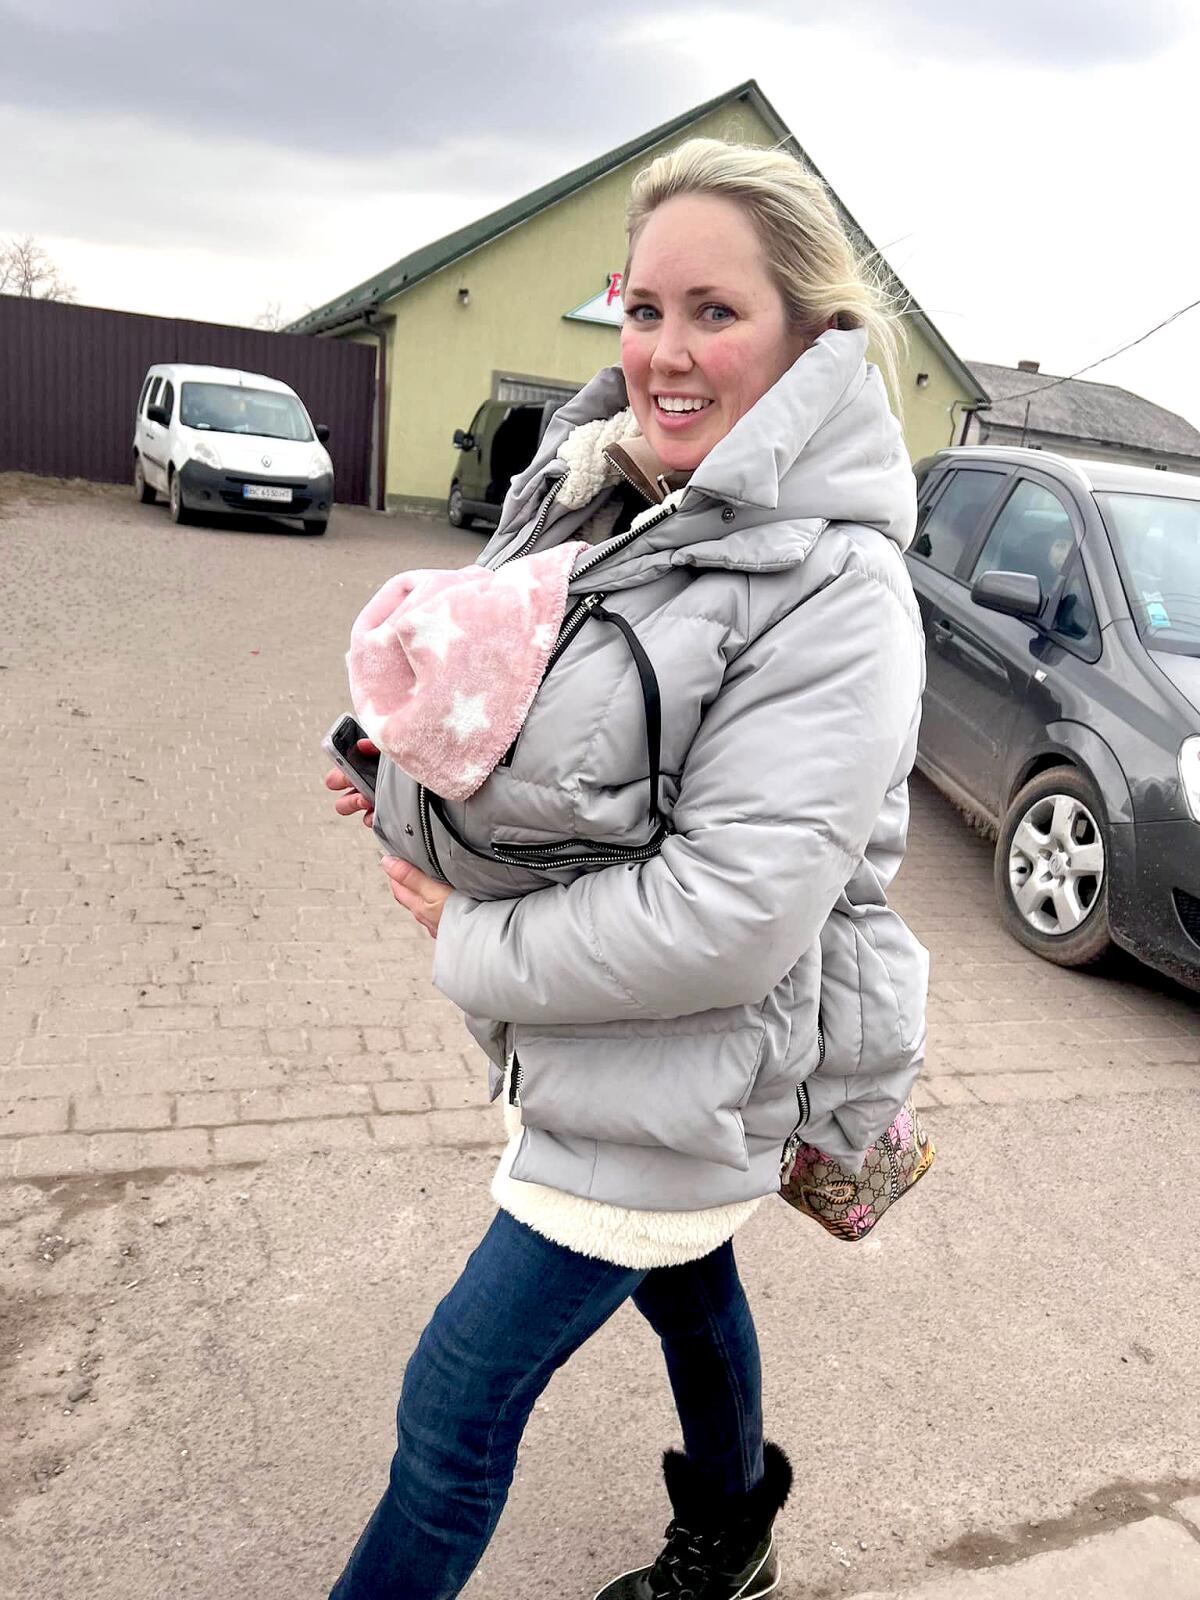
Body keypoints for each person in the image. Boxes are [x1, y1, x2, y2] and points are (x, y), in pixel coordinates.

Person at [322, 136, 929, 1600]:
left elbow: (728, 920)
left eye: (714, 313)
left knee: (452, 1409)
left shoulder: (838, 591)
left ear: (808, 340)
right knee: (685, 1280)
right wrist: (398, 765)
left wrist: (466, 931)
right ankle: (733, 1532)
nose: (664, 350)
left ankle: (727, 1532)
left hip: (690, 1050)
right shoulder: (612, 486)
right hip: (597, 1045)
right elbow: (525, 689)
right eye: (642, 307)